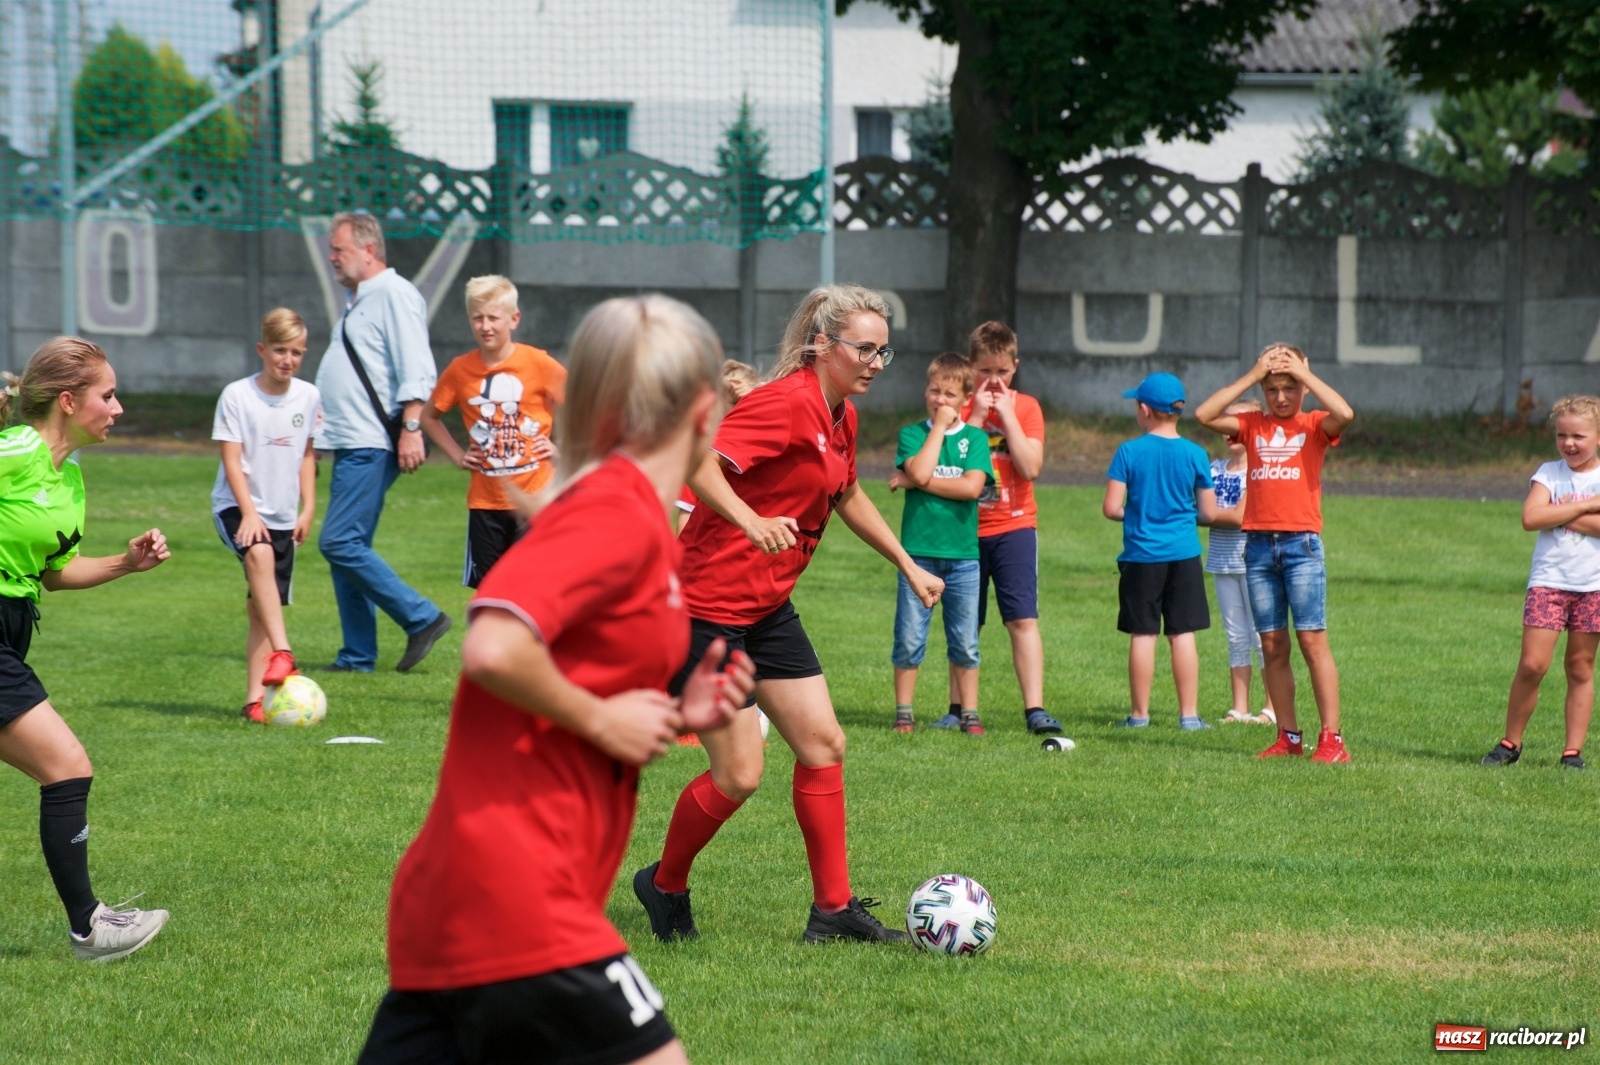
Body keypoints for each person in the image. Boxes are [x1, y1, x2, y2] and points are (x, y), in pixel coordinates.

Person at [357, 295, 756, 1065]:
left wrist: (675, 711)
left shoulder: (633, 517)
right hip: (518, 895)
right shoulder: (612, 513)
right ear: (708, 411)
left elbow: (557, 695)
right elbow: (496, 646)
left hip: (460, 896)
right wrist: (606, 722)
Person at [633, 284, 943, 946]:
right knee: (739, 774)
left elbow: (849, 493)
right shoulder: (783, 403)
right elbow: (697, 462)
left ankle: (832, 911)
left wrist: (906, 563)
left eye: (884, 350)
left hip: (767, 608)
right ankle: (663, 885)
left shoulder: (842, 416)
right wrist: (749, 519)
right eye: (864, 348)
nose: (876, 362)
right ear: (823, 345)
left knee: (824, 743)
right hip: (704, 609)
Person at [0, 337, 171, 960]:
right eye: (108, 395)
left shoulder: (68, 477)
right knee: (67, 767)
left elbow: (54, 572)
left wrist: (126, 564)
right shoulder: (16, 450)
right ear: (69, 402)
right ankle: (89, 928)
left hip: (13, 631)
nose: (118, 407)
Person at [1195, 343, 1356, 763]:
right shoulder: (1251, 424)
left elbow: (1347, 413)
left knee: (1311, 640)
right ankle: (1289, 737)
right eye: (1273, 389)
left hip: (1301, 544)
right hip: (1258, 547)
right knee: (1271, 644)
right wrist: (1253, 374)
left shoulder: (1315, 422)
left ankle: (1332, 739)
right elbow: (1204, 415)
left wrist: (1304, 373)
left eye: (1290, 387)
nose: (1281, 397)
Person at [315, 210, 452, 674]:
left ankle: (422, 617)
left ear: (369, 251)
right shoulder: (362, 298)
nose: (331, 257)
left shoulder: (393, 293)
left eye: (339, 249)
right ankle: (357, 656)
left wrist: (412, 427)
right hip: (353, 441)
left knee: (338, 542)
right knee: (348, 547)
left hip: (372, 441)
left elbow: (416, 364)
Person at [952, 321, 1063, 736]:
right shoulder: (959, 408)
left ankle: (1034, 707)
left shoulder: (1027, 407)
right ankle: (958, 706)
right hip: (965, 528)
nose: (993, 380)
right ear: (969, 367)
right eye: (984, 371)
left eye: (1001, 371)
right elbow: (956, 459)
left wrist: (1008, 417)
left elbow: (1030, 466)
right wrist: (978, 415)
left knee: (1022, 619)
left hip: (1015, 527)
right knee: (965, 621)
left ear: (1015, 366)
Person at [211, 308, 321, 723]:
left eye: (296, 352)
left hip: (283, 515)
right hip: (235, 505)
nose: (287, 360)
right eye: (279, 350)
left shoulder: (308, 396)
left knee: (260, 605)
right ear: (262, 349)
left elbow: (308, 454)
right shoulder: (237, 396)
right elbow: (232, 458)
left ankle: (255, 701)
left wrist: (308, 507)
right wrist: (249, 514)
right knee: (258, 556)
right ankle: (284, 652)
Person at [420, 275, 565, 588]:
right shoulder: (461, 370)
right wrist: (458, 455)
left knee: (533, 589)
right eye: (477, 318)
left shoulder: (537, 363)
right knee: (490, 593)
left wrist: (561, 449)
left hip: (535, 499)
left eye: (493, 318)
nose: (485, 326)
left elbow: (584, 404)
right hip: (486, 505)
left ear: (514, 319)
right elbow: (429, 416)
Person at [1482, 395, 1600, 770]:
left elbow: (1548, 516)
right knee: (1533, 664)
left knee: (1580, 667)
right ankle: (1511, 742)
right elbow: (1531, 517)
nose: (1569, 443)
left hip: (1593, 587)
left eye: (1578, 436)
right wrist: (1584, 506)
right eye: (1562, 435)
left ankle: (1572, 752)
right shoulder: (1549, 473)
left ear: (1598, 437)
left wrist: (1557, 515)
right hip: (1548, 582)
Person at [887, 353, 993, 734]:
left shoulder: (976, 439)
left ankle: (970, 713)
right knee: (910, 636)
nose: (940, 400)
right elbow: (917, 467)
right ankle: (904, 712)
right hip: (918, 556)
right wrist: (937, 432)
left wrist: (915, 481)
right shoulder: (914, 434)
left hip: (964, 557)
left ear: (966, 398)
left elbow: (971, 488)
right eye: (934, 391)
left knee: (965, 640)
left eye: (949, 394)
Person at [1103, 373, 1217, 730]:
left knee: (1144, 634)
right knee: (1182, 633)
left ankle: (1139, 716)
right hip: (1184, 554)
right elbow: (1209, 513)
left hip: (1141, 556)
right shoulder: (1196, 453)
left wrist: (1135, 513)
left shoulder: (1129, 452)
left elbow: (1111, 507)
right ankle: (1189, 716)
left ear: (1144, 409)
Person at [1206, 399, 1277, 726]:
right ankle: (1239, 708)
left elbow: (1239, 517)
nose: (1230, 431)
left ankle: (1272, 707)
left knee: (1262, 637)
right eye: (1227, 424)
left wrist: (1203, 516)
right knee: (1235, 636)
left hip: (1254, 563)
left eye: (1239, 424)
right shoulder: (1213, 470)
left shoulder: (1260, 470)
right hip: (1222, 562)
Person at [673, 360, 759, 532]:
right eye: (733, 401)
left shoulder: (762, 446)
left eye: (745, 402)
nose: (740, 410)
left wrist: (756, 393)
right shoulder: (702, 453)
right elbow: (686, 519)